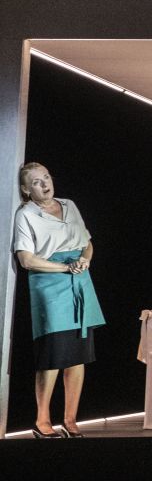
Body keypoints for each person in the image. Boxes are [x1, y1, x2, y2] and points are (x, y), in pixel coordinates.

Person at [12, 163, 105, 439]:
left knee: (78, 354)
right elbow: (26, 259)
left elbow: (87, 242)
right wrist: (64, 267)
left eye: (46, 178)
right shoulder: (26, 214)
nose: (45, 184)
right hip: (49, 280)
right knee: (52, 353)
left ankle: (70, 420)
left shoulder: (69, 205)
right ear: (26, 190)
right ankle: (42, 421)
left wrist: (85, 260)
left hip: (79, 278)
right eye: (36, 182)